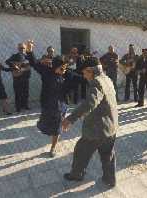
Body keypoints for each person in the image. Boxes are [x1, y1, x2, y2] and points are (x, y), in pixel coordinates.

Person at [61, 57, 118, 187]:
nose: (84, 75)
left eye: (84, 73)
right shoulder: (107, 79)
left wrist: (70, 119)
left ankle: (76, 175)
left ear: (90, 70)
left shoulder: (96, 82)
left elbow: (90, 104)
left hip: (97, 129)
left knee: (81, 151)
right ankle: (110, 180)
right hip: (111, 126)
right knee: (107, 154)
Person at [33, 56, 68, 157]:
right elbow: (35, 64)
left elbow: (78, 77)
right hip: (47, 106)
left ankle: (53, 147)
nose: (64, 71)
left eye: (65, 68)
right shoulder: (47, 73)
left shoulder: (66, 74)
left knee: (57, 128)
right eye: (62, 68)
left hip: (60, 107)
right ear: (55, 67)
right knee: (45, 125)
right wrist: (30, 52)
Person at [5, 42, 32, 112]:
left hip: (26, 77)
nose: (22, 49)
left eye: (23, 48)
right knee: (18, 93)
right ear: (18, 48)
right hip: (17, 78)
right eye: (20, 48)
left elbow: (31, 64)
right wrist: (14, 66)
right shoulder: (15, 56)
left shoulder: (28, 56)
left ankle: (25, 105)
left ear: (25, 48)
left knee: (26, 93)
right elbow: (7, 61)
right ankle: (18, 107)